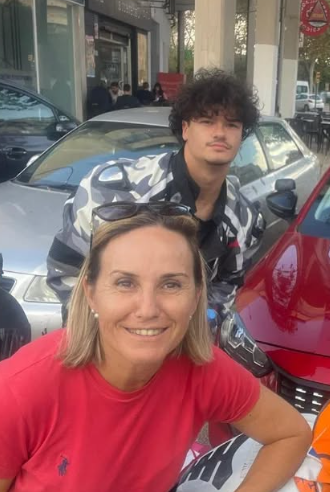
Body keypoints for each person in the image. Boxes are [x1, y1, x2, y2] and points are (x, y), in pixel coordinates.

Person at [0, 209, 312, 492]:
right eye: (125, 283)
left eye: (171, 284)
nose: (148, 308)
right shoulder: (22, 388)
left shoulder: (203, 370)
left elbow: (290, 434)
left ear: (195, 297)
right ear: (91, 294)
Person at [47, 68, 264, 315]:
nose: (219, 132)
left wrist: (199, 329)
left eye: (231, 124)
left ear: (241, 134)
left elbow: (227, 286)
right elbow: (66, 271)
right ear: (185, 129)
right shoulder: (114, 191)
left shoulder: (244, 220)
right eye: (206, 121)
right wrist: (106, 333)